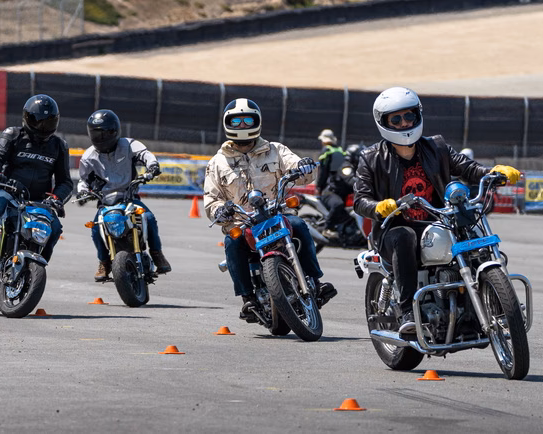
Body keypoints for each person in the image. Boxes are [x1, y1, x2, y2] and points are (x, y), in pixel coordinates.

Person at [353, 86, 521, 331]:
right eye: (396, 119)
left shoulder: (437, 147)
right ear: (384, 122)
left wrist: (493, 173)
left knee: (473, 232)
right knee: (404, 235)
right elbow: (360, 199)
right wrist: (379, 207)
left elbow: (467, 167)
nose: (404, 123)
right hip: (394, 228)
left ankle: (491, 304)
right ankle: (408, 311)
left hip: (438, 221)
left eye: (409, 116)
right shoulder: (371, 157)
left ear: (418, 116)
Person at [204, 98, 336, 322]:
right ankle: (248, 299)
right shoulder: (218, 162)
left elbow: (301, 171)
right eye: (237, 122)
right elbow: (210, 199)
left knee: (299, 224)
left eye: (248, 120)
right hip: (242, 222)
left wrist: (302, 166)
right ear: (228, 124)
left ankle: (314, 280)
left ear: (257, 122)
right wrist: (219, 210)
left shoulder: (276, 150)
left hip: (275, 215)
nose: (243, 126)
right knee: (232, 242)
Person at [0, 94, 73, 271]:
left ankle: (38, 265)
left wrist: (57, 198)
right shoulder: (13, 134)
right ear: (26, 118)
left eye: (48, 122)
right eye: (38, 121)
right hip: (7, 192)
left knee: (54, 228)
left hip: (39, 201)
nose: (42, 126)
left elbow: (66, 182)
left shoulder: (59, 146)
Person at [78, 109, 172, 281]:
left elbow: (146, 155)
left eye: (106, 132)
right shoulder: (88, 157)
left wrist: (152, 167)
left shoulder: (128, 145)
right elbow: (83, 180)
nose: (102, 137)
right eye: (97, 133)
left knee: (149, 218)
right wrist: (83, 191)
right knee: (94, 228)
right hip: (105, 203)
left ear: (115, 131)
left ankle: (157, 254)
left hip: (130, 199)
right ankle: (104, 262)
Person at [314, 128, 353, 239]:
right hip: (333, 190)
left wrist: (319, 187)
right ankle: (327, 228)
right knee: (337, 205)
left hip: (333, 188)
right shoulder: (340, 150)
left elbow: (323, 171)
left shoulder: (327, 150)